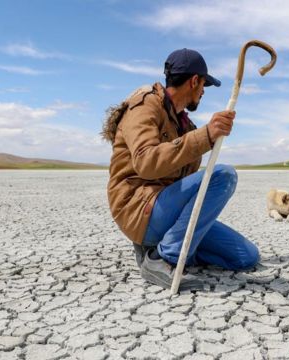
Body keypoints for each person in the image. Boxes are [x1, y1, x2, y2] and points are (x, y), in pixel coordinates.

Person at [102, 48, 260, 290]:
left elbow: (185, 179)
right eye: (204, 85)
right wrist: (205, 135)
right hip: (139, 208)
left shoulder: (183, 123)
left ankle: (168, 246)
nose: (204, 91)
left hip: (168, 211)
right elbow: (146, 162)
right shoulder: (144, 106)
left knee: (245, 256)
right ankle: (162, 258)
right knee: (223, 176)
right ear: (194, 81)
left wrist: (204, 135)